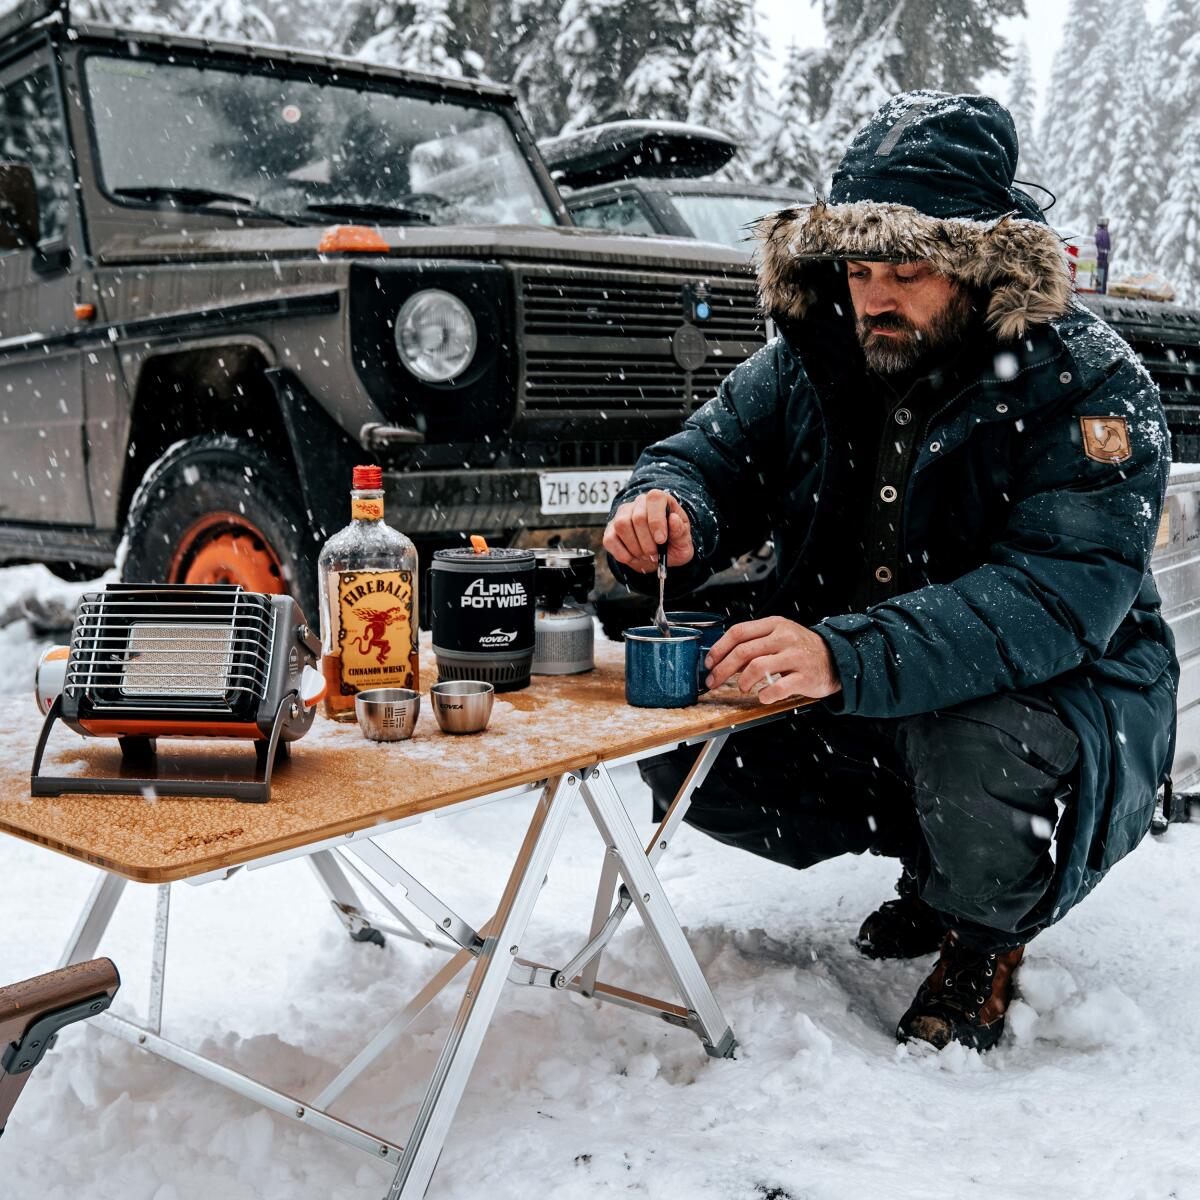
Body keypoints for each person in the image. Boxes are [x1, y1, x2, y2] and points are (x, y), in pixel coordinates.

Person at [603, 92, 1177, 1052]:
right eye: (861, 267)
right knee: (688, 736)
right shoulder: (810, 356)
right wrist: (670, 507)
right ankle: (936, 868)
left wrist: (840, 654)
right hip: (875, 674)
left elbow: (1052, 598)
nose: (875, 296)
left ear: (981, 267)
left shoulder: (1091, 383)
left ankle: (987, 933)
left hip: (1070, 694)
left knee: (970, 742)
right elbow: (703, 455)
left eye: (909, 270)